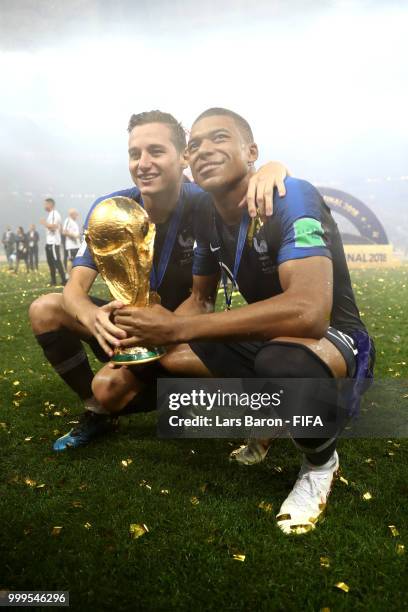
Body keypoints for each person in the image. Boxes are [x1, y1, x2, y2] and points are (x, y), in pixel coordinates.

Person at [108, 108, 375, 535]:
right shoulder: (206, 216)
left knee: (281, 361)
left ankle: (320, 464)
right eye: (194, 144)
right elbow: (199, 301)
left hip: (335, 337)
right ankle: (271, 417)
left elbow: (309, 312)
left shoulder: (291, 196)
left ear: (251, 151)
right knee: (177, 354)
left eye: (219, 138)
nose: (204, 150)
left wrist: (177, 328)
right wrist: (145, 335)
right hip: (273, 337)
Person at [28, 109, 289, 451]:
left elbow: (203, 299)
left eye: (156, 151)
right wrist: (94, 319)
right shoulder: (111, 208)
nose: (143, 163)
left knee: (111, 385)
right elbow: (74, 290)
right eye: (135, 154)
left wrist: (275, 167)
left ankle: (240, 404)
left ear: (183, 157)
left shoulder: (205, 204)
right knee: (46, 309)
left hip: (180, 328)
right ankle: (98, 412)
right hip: (125, 323)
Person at [40, 197, 67, 286]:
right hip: (49, 243)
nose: (44, 206)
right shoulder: (50, 214)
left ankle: (64, 280)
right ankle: (53, 280)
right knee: (50, 262)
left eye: (45, 204)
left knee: (57, 261)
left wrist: (44, 223)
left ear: (50, 204)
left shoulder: (54, 214)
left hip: (54, 243)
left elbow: (54, 227)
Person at [62, 209, 81, 273]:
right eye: (76, 214)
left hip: (77, 245)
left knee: (77, 261)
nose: (77, 216)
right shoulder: (68, 221)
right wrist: (74, 236)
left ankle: (75, 274)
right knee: (70, 260)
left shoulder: (74, 222)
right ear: (72, 214)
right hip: (71, 246)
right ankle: (68, 276)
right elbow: (64, 232)